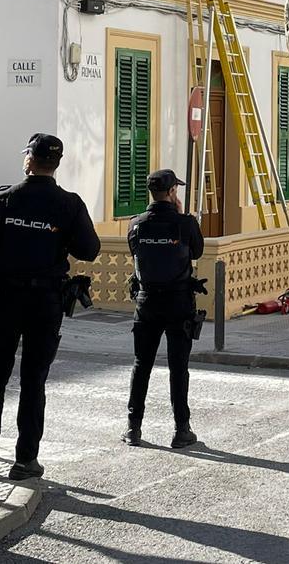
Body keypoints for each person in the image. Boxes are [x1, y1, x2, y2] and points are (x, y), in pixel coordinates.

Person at [0, 134, 101, 481]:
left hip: (5, 300)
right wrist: (58, 235)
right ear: (56, 164)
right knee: (33, 381)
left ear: (29, 160)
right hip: (45, 302)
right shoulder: (68, 204)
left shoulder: (4, 199)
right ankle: (25, 461)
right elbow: (90, 249)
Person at [122, 169, 206, 449]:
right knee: (178, 367)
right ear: (172, 193)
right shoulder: (185, 224)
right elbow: (197, 252)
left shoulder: (135, 224)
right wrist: (181, 216)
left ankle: (133, 428)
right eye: (176, 191)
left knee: (141, 365)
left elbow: (136, 253)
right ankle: (181, 429)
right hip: (178, 302)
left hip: (146, 303)